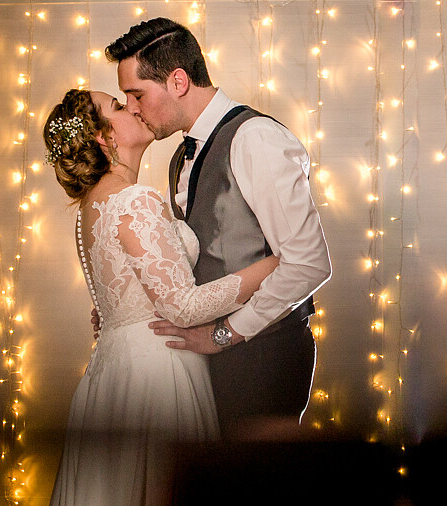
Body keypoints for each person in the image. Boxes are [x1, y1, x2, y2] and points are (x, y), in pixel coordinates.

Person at [44, 89, 280, 504]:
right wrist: (278, 263)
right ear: (105, 137)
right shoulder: (133, 200)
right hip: (157, 371)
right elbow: (181, 306)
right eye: (118, 106)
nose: (132, 106)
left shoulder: (91, 207)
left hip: (113, 372)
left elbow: (117, 299)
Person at [103, 17, 332, 434]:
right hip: (211, 358)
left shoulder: (256, 137)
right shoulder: (179, 157)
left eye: (136, 94)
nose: (132, 108)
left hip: (264, 355)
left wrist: (224, 334)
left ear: (177, 81)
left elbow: (309, 263)